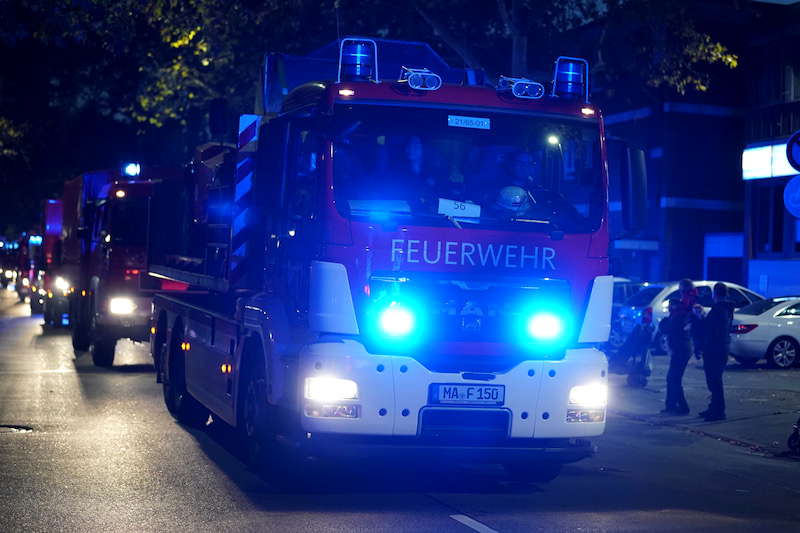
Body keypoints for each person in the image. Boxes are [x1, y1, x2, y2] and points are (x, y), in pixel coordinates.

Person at [697, 282, 735, 421]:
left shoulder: (718, 310)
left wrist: (700, 317)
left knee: (714, 380)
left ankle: (718, 411)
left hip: (715, 348)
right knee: (715, 380)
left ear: (715, 294)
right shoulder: (726, 309)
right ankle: (714, 407)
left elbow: (709, 328)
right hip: (721, 347)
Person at [658, 298, 693, 415]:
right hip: (680, 350)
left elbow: (666, 329)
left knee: (674, 378)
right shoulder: (677, 316)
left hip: (681, 351)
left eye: (670, 306)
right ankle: (671, 405)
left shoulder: (679, 317)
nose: (668, 308)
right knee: (672, 378)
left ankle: (682, 407)